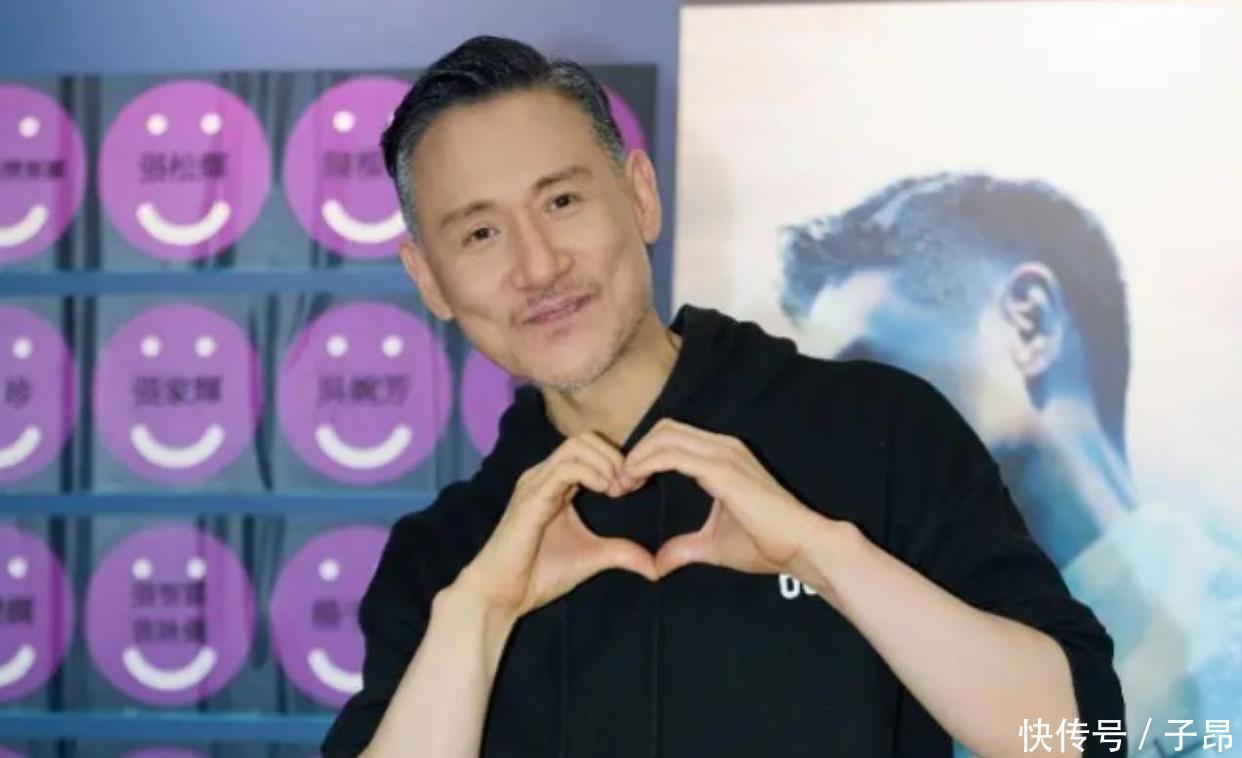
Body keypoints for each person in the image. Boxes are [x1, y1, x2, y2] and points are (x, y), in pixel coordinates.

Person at [322, 38, 1125, 757]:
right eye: (480, 234)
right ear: (429, 279)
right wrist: (480, 614)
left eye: (561, 202)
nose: (538, 267)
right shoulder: (446, 556)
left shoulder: (879, 427)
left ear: (640, 195)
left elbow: (1082, 735)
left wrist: (824, 555)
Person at [779, 174, 1241, 753]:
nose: (846, 430)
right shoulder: (896, 649)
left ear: (1030, 321)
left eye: (872, 373)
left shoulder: (1220, 632)